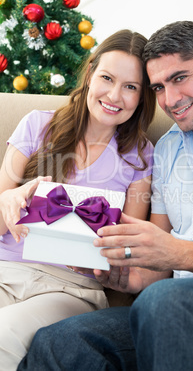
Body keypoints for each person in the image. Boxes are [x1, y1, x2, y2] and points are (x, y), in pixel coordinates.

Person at [18, 20, 193, 371]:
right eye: (159, 87)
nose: (170, 99)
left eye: (179, 78)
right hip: (169, 311)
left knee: (165, 301)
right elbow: (155, 265)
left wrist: (179, 254)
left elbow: (172, 255)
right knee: (60, 341)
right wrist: (122, 274)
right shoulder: (166, 151)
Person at [0, 29, 156, 370]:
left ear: (143, 96)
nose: (115, 95)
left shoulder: (140, 156)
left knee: (3, 335)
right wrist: (9, 198)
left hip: (71, 290)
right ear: (89, 74)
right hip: (6, 271)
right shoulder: (36, 126)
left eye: (130, 87)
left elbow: (130, 249)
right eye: (107, 78)